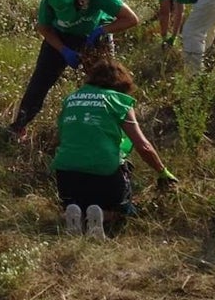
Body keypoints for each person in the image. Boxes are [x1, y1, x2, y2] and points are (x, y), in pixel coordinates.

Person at [52, 53, 176, 238]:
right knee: (125, 209)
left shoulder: (70, 100)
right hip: (104, 174)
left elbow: (59, 140)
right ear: (122, 83)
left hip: (66, 175)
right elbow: (143, 146)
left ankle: (75, 213)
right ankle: (106, 215)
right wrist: (162, 172)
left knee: (76, 200)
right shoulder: (119, 101)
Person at [10, 0, 140, 139]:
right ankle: (18, 127)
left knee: (106, 84)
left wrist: (101, 31)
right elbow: (44, 28)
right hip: (61, 38)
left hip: (96, 35)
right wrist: (63, 50)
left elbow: (131, 19)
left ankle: (111, 133)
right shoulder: (48, 2)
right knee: (40, 81)